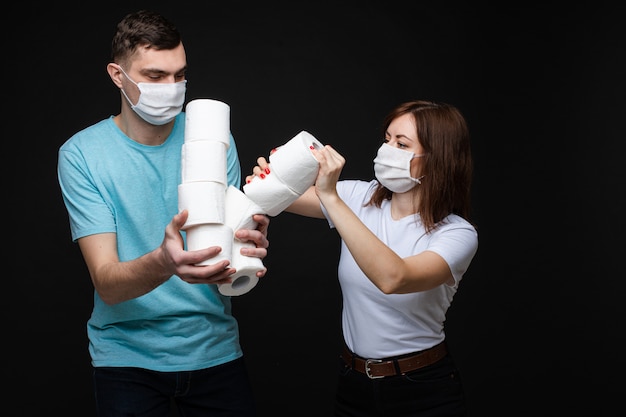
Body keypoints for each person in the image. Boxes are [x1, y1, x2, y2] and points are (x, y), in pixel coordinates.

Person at [57, 10, 269, 417]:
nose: (172, 89)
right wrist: (164, 262)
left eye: (179, 75)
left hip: (214, 347)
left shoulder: (213, 137)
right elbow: (109, 285)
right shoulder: (81, 155)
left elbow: (227, 249)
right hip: (126, 357)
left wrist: (248, 243)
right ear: (118, 75)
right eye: (155, 76)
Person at [247, 100, 478, 416]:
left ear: (436, 159)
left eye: (402, 143)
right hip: (353, 384)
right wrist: (271, 175)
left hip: (422, 389)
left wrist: (330, 196)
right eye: (387, 139)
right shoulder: (359, 197)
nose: (387, 149)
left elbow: (393, 278)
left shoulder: (457, 234)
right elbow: (274, 194)